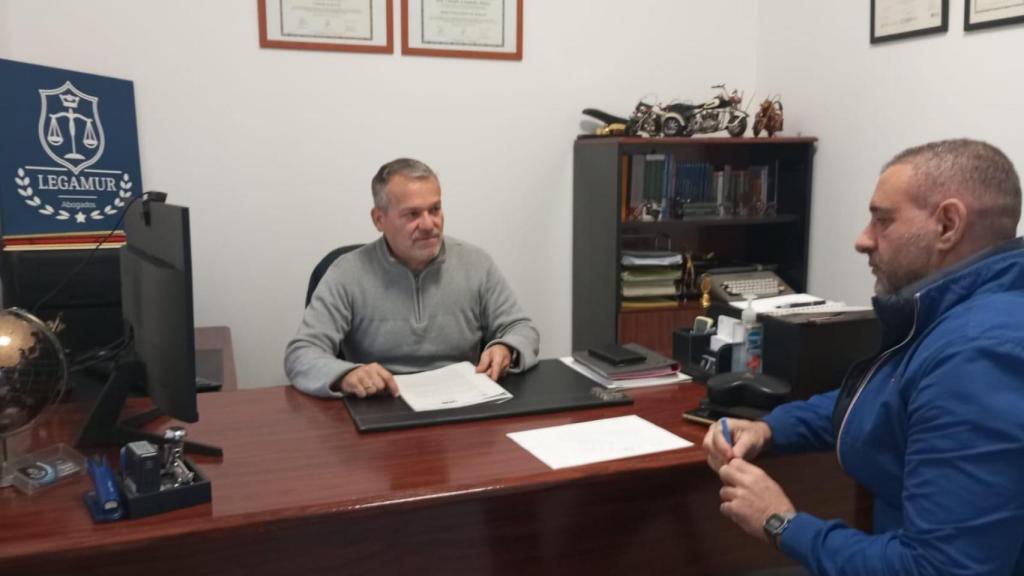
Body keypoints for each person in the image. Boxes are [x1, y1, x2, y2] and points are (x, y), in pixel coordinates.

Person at [703, 139, 1024, 575]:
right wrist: (770, 428)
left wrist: (781, 523)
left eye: (882, 221)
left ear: (948, 224)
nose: (862, 240)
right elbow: (886, 400)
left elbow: (942, 570)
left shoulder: (979, 354)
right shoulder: (959, 314)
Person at [285, 158, 540, 399]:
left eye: (435, 209)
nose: (429, 224)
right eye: (412, 214)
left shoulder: (476, 263)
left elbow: (521, 329)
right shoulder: (346, 273)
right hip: (381, 404)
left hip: (463, 405)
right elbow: (302, 354)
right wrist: (346, 375)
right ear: (379, 219)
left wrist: (506, 348)